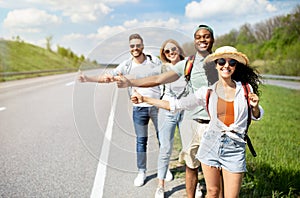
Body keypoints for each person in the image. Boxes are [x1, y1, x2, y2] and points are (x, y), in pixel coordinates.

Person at [130, 46, 264, 197]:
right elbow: (174, 105)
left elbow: (256, 115)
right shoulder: (207, 92)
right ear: (215, 65)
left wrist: (255, 107)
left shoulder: (246, 89)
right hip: (211, 143)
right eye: (221, 61)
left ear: (236, 66)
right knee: (212, 192)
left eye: (231, 62)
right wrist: (145, 99)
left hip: (235, 147)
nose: (226, 65)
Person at [116, 25, 218, 198]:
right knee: (177, 155)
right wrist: (131, 84)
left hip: (202, 117)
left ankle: (204, 187)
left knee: (201, 161)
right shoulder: (176, 65)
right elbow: (154, 79)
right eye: (199, 37)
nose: (202, 40)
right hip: (180, 116)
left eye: (206, 36)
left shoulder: (207, 62)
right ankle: (162, 186)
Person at [78, 33, 162, 187]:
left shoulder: (154, 61)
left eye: (138, 45)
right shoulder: (126, 66)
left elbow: (165, 76)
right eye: (132, 46)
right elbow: (107, 78)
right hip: (139, 109)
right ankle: (141, 171)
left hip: (157, 106)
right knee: (141, 141)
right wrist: (88, 79)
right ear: (129, 48)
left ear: (142, 46)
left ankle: (164, 169)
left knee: (162, 138)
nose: (135, 48)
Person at [154, 39, 186, 198]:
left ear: (179, 50)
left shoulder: (188, 65)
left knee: (189, 148)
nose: (171, 52)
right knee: (165, 148)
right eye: (167, 51)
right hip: (167, 111)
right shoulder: (163, 68)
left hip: (186, 110)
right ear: (164, 54)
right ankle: (160, 185)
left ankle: (194, 185)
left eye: (174, 49)